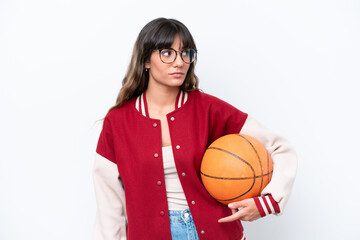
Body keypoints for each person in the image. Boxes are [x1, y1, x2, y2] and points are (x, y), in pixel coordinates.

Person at [93, 17, 297, 240]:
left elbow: (280, 148)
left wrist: (267, 202)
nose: (179, 62)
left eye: (186, 53)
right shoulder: (118, 121)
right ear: (146, 61)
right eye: (167, 53)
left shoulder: (208, 109)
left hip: (216, 233)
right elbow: (109, 204)